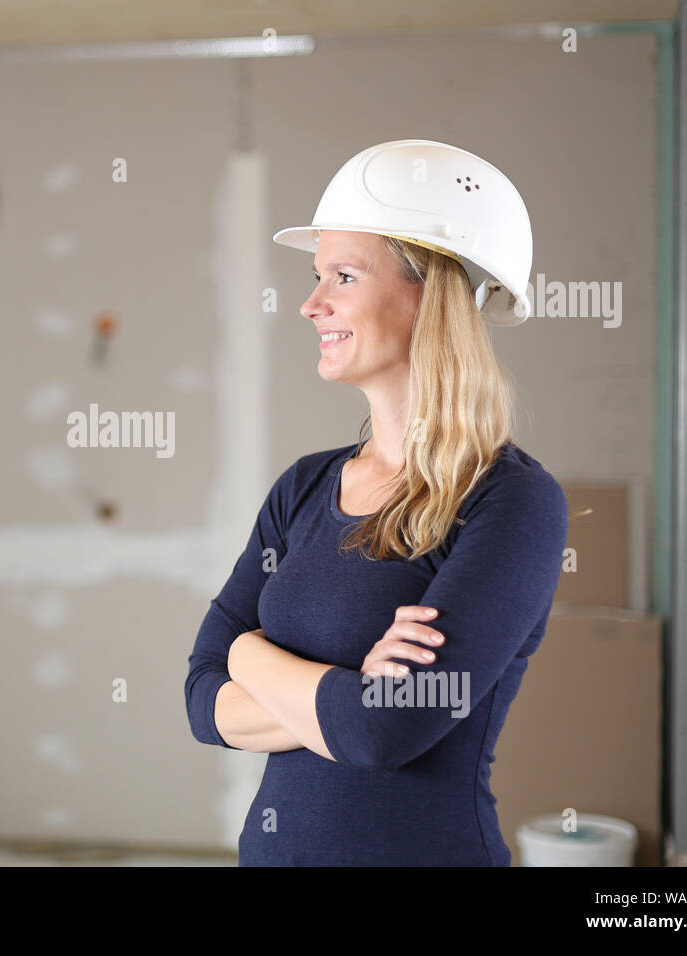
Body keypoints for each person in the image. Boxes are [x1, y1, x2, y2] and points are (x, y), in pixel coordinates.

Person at [183, 140, 569, 866]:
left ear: (434, 293)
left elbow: (386, 733)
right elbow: (203, 699)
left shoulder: (513, 503)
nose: (310, 304)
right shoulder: (304, 486)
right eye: (316, 275)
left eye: (344, 276)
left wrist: (251, 654)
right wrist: (350, 687)